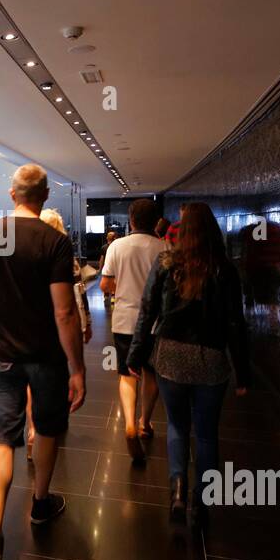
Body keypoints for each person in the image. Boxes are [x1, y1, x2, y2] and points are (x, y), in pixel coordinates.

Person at [0, 165, 86, 560]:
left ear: (11, 194)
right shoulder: (54, 242)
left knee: (1, 437)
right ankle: (39, 503)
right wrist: (77, 367)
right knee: (49, 428)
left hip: (2, 355)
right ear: (46, 195)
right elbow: (64, 310)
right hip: (47, 357)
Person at [128, 202, 250, 528]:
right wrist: (242, 372)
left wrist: (135, 357)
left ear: (183, 231)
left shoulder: (166, 262)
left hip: (170, 357)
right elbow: (236, 324)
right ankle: (202, 501)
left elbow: (147, 311)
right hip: (210, 359)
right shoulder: (225, 268)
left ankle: (178, 491)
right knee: (207, 435)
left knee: (177, 427)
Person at [23, 208, 91, 463]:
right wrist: (87, 324)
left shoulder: (26, 257)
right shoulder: (65, 257)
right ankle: (50, 425)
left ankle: (32, 428)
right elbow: (77, 295)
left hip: (32, 327)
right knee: (59, 374)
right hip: (59, 328)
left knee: (31, 380)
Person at [100, 198, 164, 462]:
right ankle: (144, 423)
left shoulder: (117, 246)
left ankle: (128, 423)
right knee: (151, 374)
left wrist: (123, 288)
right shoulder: (165, 247)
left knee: (127, 374)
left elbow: (105, 284)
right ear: (157, 221)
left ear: (132, 220)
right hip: (156, 323)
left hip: (125, 320)